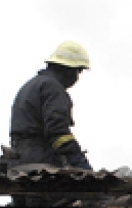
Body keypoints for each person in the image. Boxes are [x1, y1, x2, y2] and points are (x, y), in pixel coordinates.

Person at [9, 41, 92, 171]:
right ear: (68, 70)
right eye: (78, 71)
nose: (77, 77)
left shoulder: (32, 85)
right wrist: (79, 160)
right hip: (41, 161)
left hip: (20, 161)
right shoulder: (53, 88)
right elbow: (58, 132)